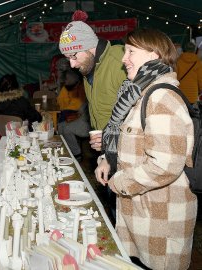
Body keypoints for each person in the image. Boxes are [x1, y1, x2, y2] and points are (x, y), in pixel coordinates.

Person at [95, 28, 197, 270]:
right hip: (142, 214)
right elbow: (131, 140)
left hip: (160, 218)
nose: (123, 58)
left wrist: (119, 182)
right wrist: (108, 159)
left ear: (153, 56)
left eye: (131, 51)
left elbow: (165, 165)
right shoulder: (139, 93)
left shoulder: (161, 97)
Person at [59, 20, 127, 151]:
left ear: (88, 46)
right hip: (109, 149)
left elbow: (143, 114)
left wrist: (112, 139)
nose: (72, 65)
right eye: (68, 59)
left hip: (127, 152)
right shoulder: (89, 67)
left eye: (73, 56)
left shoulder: (120, 61)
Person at [57, 68, 90, 161]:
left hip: (86, 120)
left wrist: (76, 114)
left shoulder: (82, 88)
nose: (66, 82)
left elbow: (82, 107)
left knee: (66, 128)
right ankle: (67, 150)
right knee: (60, 126)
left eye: (67, 79)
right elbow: (61, 102)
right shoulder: (67, 88)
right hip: (80, 115)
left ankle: (77, 153)